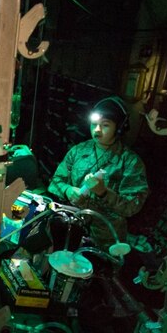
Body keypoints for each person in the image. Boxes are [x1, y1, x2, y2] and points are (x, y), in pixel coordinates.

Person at [47, 96, 149, 250]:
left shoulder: (130, 162)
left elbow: (132, 207)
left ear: (119, 128)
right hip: (71, 228)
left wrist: (104, 193)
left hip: (106, 239)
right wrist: (68, 190)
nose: (97, 130)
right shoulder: (78, 151)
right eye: (94, 124)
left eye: (105, 125)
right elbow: (55, 181)